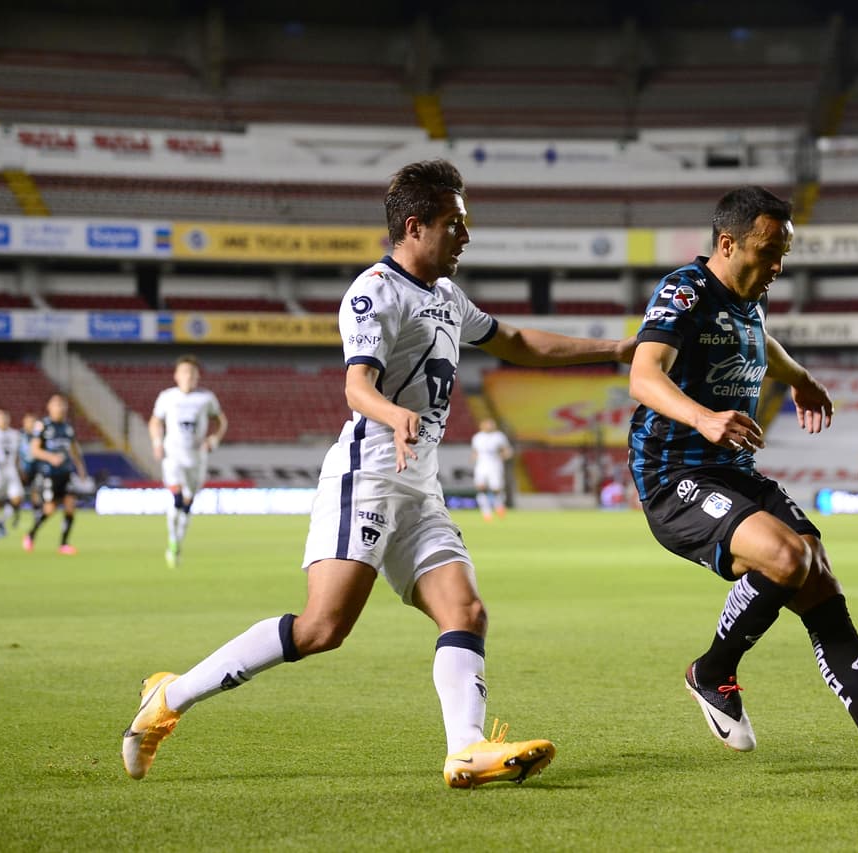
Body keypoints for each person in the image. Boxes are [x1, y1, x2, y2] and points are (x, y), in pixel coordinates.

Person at [121, 159, 635, 788]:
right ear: (415, 227)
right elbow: (356, 385)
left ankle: (467, 750)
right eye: (456, 225)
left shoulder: (447, 297)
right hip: (368, 472)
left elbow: (516, 341)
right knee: (321, 629)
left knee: (466, 612)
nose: (466, 237)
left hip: (419, 482)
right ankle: (167, 700)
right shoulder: (373, 293)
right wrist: (396, 414)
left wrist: (616, 350)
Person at [627, 186, 858, 789]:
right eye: (769, 252)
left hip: (735, 473)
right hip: (675, 477)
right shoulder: (684, 292)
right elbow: (645, 373)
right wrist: (703, 417)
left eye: (784, 254)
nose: (778, 266)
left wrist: (799, 378)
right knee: (785, 555)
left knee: (818, 573)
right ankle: (712, 671)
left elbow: (756, 339)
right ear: (727, 244)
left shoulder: (749, 298)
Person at [149, 355, 227, 568]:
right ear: (176, 376)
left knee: (187, 504)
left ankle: (177, 541)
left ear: (197, 377)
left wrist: (214, 439)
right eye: (184, 372)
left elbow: (221, 420)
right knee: (176, 498)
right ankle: (172, 540)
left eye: (192, 373)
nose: (188, 376)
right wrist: (157, 442)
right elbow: (155, 420)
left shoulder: (206, 398)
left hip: (197, 459)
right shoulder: (167, 397)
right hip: (173, 456)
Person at [23, 394, 88, 555]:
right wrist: (51, 457)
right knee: (50, 509)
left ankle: (64, 544)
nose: (60, 408)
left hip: (66, 472)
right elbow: (34, 450)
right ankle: (31, 534)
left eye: (62, 405)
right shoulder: (43, 426)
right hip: (49, 474)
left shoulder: (67, 428)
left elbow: (73, 449)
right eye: (57, 405)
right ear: (49, 407)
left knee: (70, 506)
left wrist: (80, 468)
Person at [0, 409, 25, 537]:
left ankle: (0, 521)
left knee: (18, 498)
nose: (3, 420)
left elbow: (17, 455)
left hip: (11, 469)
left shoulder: (15, 434)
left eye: (5, 417)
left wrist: (19, 469)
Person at [470, 417, 512, 520]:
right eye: (487, 424)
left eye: (491, 424)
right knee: (481, 487)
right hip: (481, 465)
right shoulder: (477, 437)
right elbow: (475, 451)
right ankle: (486, 512)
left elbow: (506, 450)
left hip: (495, 464)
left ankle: (499, 506)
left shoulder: (499, 436)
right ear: (482, 425)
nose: (490, 426)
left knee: (496, 488)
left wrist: (504, 456)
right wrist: (472, 459)